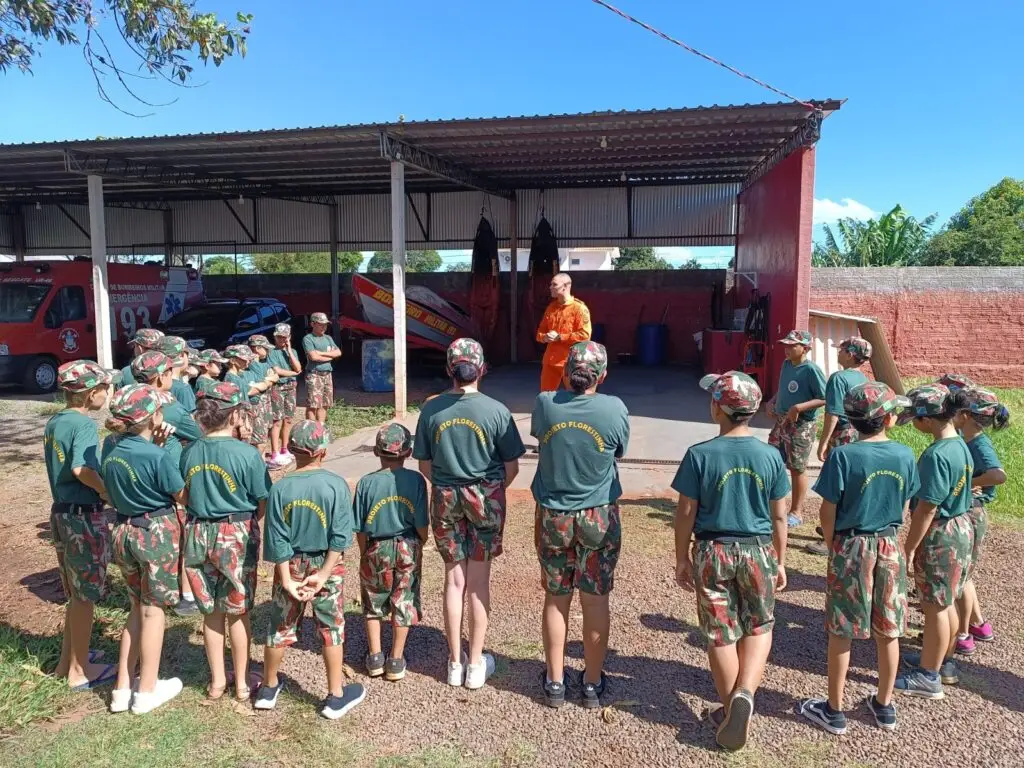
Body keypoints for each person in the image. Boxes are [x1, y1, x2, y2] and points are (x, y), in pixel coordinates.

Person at [673, 371, 789, 752]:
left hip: (713, 548)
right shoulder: (771, 456)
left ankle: (729, 708)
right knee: (759, 625)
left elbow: (686, 511)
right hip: (758, 549)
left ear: (717, 409)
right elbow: (779, 516)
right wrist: (781, 560)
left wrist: (681, 557)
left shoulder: (700, 454)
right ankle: (744, 694)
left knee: (719, 632)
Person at [799, 382, 919, 735]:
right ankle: (884, 704)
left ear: (850, 420)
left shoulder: (844, 456)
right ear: (889, 419)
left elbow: (828, 509)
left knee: (842, 629)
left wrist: (836, 542)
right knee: (890, 628)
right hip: (889, 544)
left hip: (852, 545)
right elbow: (905, 501)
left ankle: (834, 710)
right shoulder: (904, 455)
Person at [413, 338, 525, 689]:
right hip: (486, 495)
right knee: (478, 582)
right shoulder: (496, 410)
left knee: (453, 580)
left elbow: (424, 464)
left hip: (445, 496)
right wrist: (489, 491)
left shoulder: (431, 410)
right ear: (482, 369)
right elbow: (512, 467)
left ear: (449, 370)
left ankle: (454, 662)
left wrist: (449, 485)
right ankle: (476, 664)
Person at [530, 341, 629, 709]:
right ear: (602, 375)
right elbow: (618, 450)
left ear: (566, 371)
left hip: (554, 513)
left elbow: (540, 436)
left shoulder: (545, 404)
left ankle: (555, 681)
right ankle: (591, 682)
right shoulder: (614, 408)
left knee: (557, 598)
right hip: (598, 514)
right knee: (595, 597)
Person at [256, 420, 366, 719]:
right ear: (323, 452)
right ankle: (335, 695)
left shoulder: (280, 488)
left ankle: (268, 688)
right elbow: (341, 536)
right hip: (326, 564)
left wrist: (286, 578)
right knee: (331, 627)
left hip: (290, 564)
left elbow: (276, 537)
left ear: (292, 450)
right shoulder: (335, 485)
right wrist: (325, 572)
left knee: (280, 626)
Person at [181, 381, 272, 702]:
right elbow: (263, 499)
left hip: (197, 533)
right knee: (239, 610)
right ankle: (244, 682)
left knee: (211, 612)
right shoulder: (247, 454)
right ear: (234, 415)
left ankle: (217, 681)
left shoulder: (189, 451)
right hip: (236, 532)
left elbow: (184, 495)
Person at [101, 384, 186, 714]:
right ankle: (147, 690)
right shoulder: (159, 455)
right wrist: (169, 451)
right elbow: (183, 496)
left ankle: (122, 687)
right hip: (155, 533)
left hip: (123, 529)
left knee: (135, 607)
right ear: (153, 418)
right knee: (154, 612)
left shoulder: (111, 449)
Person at [894, 384, 974, 699]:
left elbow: (926, 508)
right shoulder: (960, 445)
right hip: (960, 527)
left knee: (934, 606)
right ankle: (937, 659)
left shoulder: (936, 455)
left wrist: (910, 546)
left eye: (913, 416)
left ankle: (928, 676)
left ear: (926, 419)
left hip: (941, 534)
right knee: (946, 600)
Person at [44, 360, 117, 691]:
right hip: (83, 517)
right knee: (86, 595)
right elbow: (81, 469)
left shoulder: (55, 421)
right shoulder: (85, 425)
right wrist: (106, 491)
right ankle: (80, 669)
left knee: (74, 593)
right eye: (104, 389)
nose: (107, 394)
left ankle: (67, 662)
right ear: (91, 393)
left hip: (60, 513)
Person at [130, 350, 204, 616]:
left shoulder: (129, 400)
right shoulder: (167, 407)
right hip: (170, 477)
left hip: (138, 483)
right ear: (160, 377)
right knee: (183, 536)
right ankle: (185, 594)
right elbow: (197, 433)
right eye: (170, 372)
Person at [355, 424, 429, 682]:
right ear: (408, 452)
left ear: (376, 451)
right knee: (404, 599)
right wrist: (422, 540)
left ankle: (375, 656)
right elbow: (421, 522)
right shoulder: (416, 481)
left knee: (373, 600)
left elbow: (361, 526)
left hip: (376, 545)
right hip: (408, 545)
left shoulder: (366, 483)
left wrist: (365, 551)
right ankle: (396, 659)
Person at [952, 387, 1009, 655]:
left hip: (973, 512)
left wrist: (968, 484)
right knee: (966, 574)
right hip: (970, 511)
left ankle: (962, 636)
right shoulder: (967, 439)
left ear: (966, 416)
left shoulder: (979, 444)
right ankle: (978, 624)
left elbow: (998, 476)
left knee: (961, 578)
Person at [806, 337, 872, 556]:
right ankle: (837, 527)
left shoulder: (838, 378)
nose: (838, 352)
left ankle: (831, 538)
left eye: (842, 349)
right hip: (858, 434)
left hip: (841, 435)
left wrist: (823, 443)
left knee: (835, 486)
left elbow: (832, 414)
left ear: (851, 354)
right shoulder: (862, 378)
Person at [767, 330, 826, 528]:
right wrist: (773, 401)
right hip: (781, 422)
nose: (787, 348)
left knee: (797, 468)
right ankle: (774, 504)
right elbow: (782, 388)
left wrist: (799, 407)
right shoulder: (786, 364)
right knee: (773, 460)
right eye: (786, 344)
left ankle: (796, 511)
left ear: (805, 348)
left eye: (793, 345)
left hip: (801, 426)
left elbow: (824, 398)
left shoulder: (811, 370)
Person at [535, 273, 592, 392]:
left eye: (554, 284)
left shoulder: (579, 308)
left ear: (565, 286)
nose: (550, 287)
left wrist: (560, 337)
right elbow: (539, 333)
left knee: (575, 396)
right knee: (545, 396)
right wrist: (545, 337)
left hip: (570, 362)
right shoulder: (551, 307)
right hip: (550, 361)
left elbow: (585, 335)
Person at [267, 323, 302, 467]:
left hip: (291, 387)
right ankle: (275, 452)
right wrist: (294, 373)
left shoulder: (291, 350)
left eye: (284, 337)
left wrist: (289, 350)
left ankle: (285, 448)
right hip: (278, 387)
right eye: (279, 337)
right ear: (275, 337)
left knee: (288, 419)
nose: (281, 340)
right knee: (277, 420)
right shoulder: (271, 352)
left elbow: (299, 366)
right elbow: (278, 370)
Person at [303, 312, 341, 422]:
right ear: (313, 324)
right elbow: (313, 357)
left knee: (325, 404)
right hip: (314, 374)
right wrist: (330, 356)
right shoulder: (308, 338)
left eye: (325, 324)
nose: (324, 327)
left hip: (327, 374)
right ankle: (311, 429)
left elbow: (338, 352)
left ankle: (321, 429)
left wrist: (321, 353)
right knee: (313, 405)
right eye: (320, 324)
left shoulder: (328, 338)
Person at [247, 334, 278, 462]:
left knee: (264, 436)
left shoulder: (264, 363)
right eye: (265, 348)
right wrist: (267, 381)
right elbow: (261, 384)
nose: (268, 350)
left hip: (266, 404)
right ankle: (256, 464)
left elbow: (274, 376)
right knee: (258, 440)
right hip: (255, 406)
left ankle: (262, 462)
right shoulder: (251, 365)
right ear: (257, 348)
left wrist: (268, 381)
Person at [159, 336, 197, 414]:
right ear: (181, 355)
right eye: (187, 355)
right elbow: (190, 419)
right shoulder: (183, 388)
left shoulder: (157, 380)